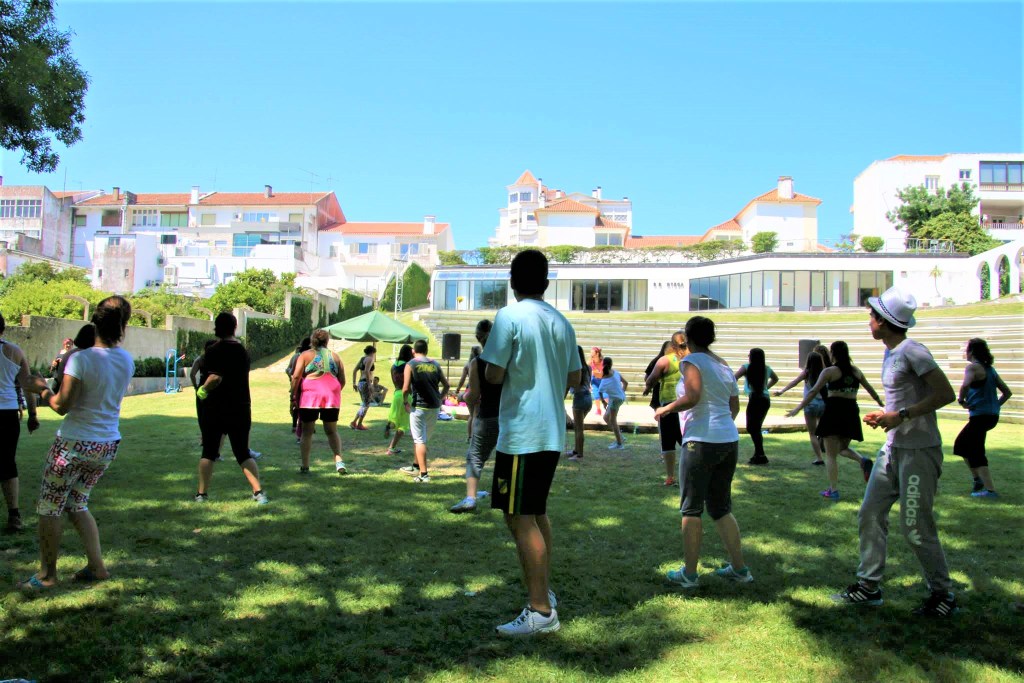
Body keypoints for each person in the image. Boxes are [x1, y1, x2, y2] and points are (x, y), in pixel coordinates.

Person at [833, 287, 958, 617]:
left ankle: (943, 594)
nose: (869, 321)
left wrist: (900, 415)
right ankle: (868, 587)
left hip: (919, 451)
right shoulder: (890, 353)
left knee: (915, 526)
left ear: (885, 322)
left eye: (872, 317)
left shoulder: (913, 351)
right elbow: (902, 400)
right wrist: (886, 416)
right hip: (893, 448)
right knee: (870, 513)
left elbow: (945, 394)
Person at [481, 249, 581, 637]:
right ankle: (544, 592)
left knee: (519, 517)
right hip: (552, 432)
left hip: (524, 432)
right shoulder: (562, 321)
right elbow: (574, 378)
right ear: (546, 283)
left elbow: (493, 374)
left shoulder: (509, 316)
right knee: (535, 513)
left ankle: (540, 610)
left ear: (512, 281)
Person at [18, 296, 134, 589]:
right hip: (106, 444)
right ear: (124, 325)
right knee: (77, 503)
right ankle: (97, 567)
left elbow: (61, 405)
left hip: (73, 445)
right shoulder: (126, 359)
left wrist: (41, 388)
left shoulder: (81, 359)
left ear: (94, 321)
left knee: (50, 507)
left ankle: (47, 576)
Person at [654, 316, 752, 590]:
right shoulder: (723, 364)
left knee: (691, 508)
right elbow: (734, 406)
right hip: (728, 440)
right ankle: (739, 568)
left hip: (700, 441)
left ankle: (689, 573)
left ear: (688, 337)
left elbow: (693, 395)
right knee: (720, 507)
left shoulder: (691, 361)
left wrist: (666, 408)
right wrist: (721, 426)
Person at [786, 341, 882, 501]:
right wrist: (880, 402)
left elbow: (813, 391)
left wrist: (798, 408)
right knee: (842, 448)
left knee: (831, 455)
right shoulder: (856, 371)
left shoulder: (830, 371)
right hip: (851, 411)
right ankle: (862, 460)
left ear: (833, 353)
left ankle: (833, 490)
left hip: (834, 411)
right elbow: (870, 388)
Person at [194, 312, 268, 504]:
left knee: (209, 452)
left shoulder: (214, 350)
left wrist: (202, 390)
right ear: (234, 327)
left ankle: (201, 494)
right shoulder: (243, 351)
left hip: (216, 408)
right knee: (242, 452)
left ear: (216, 327)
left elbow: (215, 377)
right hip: (240, 407)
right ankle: (258, 492)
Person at [450, 320, 499, 513]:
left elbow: (473, 395)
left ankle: (470, 498)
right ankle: (502, 494)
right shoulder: (509, 359)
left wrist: (462, 396)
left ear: (478, 338)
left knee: (475, 457)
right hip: (509, 416)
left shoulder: (476, 363)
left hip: (487, 416)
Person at [954, 338, 1011, 498]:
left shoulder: (972, 367)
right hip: (990, 416)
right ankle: (977, 480)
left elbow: (965, 385)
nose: (965, 352)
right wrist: (995, 406)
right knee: (961, 445)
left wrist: (961, 401)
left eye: (966, 349)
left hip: (980, 416)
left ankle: (990, 490)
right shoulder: (990, 369)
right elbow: (1007, 392)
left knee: (976, 451)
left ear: (971, 351)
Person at [1, 313, 41, 534]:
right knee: (7, 463)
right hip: (7, 413)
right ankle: (14, 514)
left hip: (7, 412)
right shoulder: (14, 351)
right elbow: (28, 385)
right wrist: (33, 414)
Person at [292, 329, 346, 475]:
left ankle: (305, 466)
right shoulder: (335, 356)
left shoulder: (305, 355)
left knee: (307, 432)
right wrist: (333, 392)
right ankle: (339, 461)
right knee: (332, 431)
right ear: (327, 341)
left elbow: (296, 377)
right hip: (331, 396)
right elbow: (342, 380)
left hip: (310, 396)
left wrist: (293, 395)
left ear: (312, 340)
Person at [400, 339, 448, 482]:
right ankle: (416, 466)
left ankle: (424, 474)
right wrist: (440, 398)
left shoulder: (410, 364)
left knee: (419, 440)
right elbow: (446, 385)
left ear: (413, 351)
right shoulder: (435, 364)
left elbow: (405, 389)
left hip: (419, 407)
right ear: (426, 351)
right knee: (422, 439)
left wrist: (405, 402)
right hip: (434, 408)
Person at [646, 333, 687, 485]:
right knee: (687, 441)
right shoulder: (693, 360)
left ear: (672, 345)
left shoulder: (665, 360)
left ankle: (670, 477)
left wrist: (649, 386)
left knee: (668, 443)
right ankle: (691, 475)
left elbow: (650, 380)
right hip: (687, 405)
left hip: (668, 406)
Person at [774, 351, 828, 465]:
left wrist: (782, 391)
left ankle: (819, 458)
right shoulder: (825, 372)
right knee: (822, 431)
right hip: (823, 404)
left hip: (810, 404)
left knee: (812, 433)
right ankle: (827, 452)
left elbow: (794, 382)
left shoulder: (807, 373)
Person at [735, 348, 779, 465]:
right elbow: (775, 378)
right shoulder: (766, 368)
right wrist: (766, 388)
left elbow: (734, 377)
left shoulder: (746, 367)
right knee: (755, 428)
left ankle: (760, 454)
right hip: (765, 399)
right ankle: (759, 454)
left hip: (754, 398)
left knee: (752, 427)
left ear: (751, 357)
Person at [385, 344, 414, 455]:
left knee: (395, 418)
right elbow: (409, 384)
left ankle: (389, 426)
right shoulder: (408, 366)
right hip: (405, 395)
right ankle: (391, 448)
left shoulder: (393, 366)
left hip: (396, 393)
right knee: (403, 425)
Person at [566, 345, 593, 462]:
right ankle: (576, 450)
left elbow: (569, 385)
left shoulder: (574, 369)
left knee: (579, 428)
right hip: (588, 398)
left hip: (579, 398)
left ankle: (580, 454)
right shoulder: (588, 367)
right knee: (577, 427)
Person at [189, 339, 218, 445]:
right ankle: (212, 437)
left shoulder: (200, 359)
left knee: (201, 414)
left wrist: (196, 387)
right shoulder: (217, 360)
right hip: (213, 389)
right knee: (213, 414)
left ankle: (204, 437)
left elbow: (192, 374)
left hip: (202, 388)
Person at [598, 357, 628, 450]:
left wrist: (603, 402)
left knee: (612, 420)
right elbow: (626, 383)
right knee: (606, 418)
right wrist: (621, 392)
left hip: (615, 399)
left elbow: (600, 391)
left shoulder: (605, 378)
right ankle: (620, 437)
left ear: (603, 365)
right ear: (611, 364)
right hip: (616, 398)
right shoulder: (616, 372)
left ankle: (619, 444)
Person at [286, 337, 311, 439]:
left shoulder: (296, 356)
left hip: (298, 384)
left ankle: (296, 427)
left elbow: (290, 370)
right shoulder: (310, 356)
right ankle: (301, 430)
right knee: (303, 408)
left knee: (297, 406)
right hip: (306, 385)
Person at [455, 345, 481, 442]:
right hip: (477, 390)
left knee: (471, 415)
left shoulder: (467, 365)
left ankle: (469, 437)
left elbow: (462, 380)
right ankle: (474, 438)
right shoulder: (481, 363)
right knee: (475, 415)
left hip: (468, 390)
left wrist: (457, 389)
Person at [350, 345, 376, 430]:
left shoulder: (362, 359)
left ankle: (354, 422)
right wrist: (369, 384)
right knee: (366, 405)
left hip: (360, 383)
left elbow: (354, 370)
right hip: (366, 383)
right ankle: (359, 424)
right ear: (372, 352)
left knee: (364, 404)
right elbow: (367, 371)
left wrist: (354, 383)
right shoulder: (370, 359)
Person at [589, 346, 605, 415]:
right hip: (594, 381)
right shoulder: (590, 362)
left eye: (592, 352)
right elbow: (588, 374)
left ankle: (610, 409)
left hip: (602, 381)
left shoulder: (603, 362)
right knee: (596, 396)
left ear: (597, 353)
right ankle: (598, 410)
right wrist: (589, 384)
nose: (591, 354)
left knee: (606, 396)